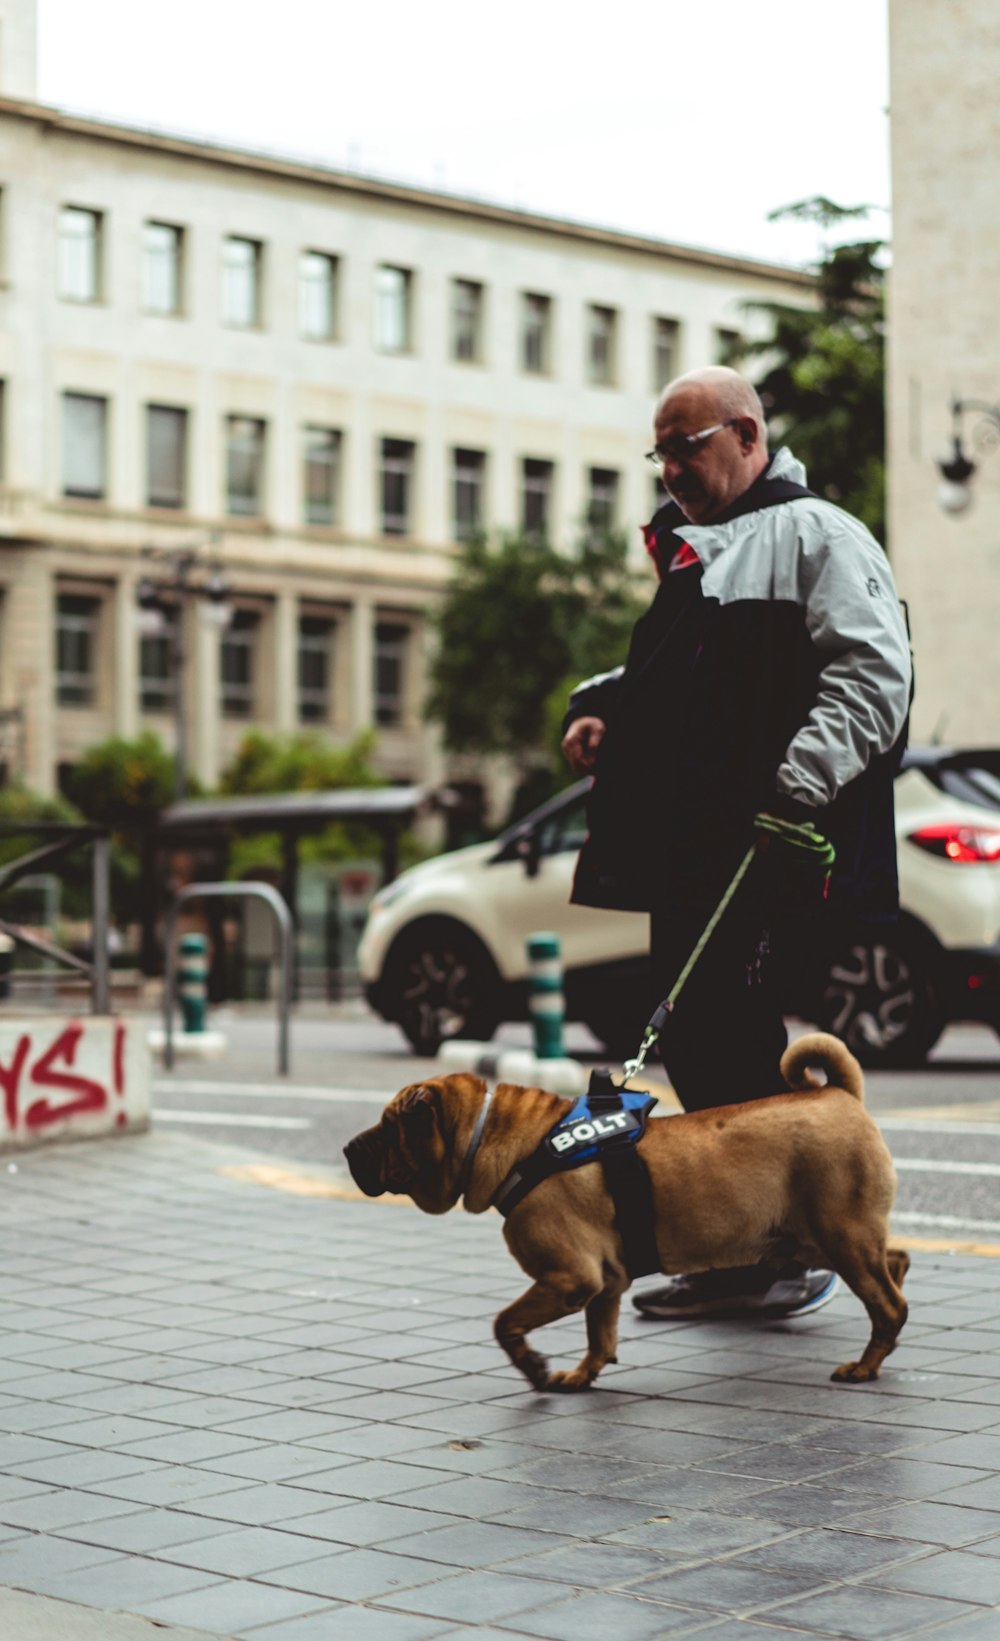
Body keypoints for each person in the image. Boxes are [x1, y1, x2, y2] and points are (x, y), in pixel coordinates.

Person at [561, 366, 913, 1321]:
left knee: (733, 1035)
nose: (672, 466)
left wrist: (800, 780)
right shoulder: (700, 545)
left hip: (769, 838)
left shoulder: (815, 533)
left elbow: (877, 674)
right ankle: (747, 1252)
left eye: (690, 444)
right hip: (696, 845)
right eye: (661, 449)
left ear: (749, 435)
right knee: (700, 1038)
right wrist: (602, 710)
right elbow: (676, 677)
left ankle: (782, 1253)